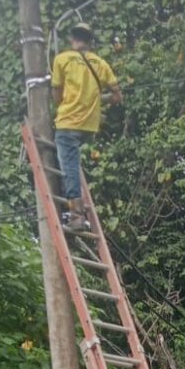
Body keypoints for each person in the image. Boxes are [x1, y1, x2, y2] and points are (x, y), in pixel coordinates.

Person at [50, 24, 122, 230]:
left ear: (73, 39)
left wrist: (69, 101)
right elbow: (117, 97)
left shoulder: (62, 59)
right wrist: (97, 99)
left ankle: (76, 215)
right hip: (89, 127)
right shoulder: (101, 63)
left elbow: (56, 97)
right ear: (90, 41)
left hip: (68, 123)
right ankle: (78, 210)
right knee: (71, 162)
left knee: (69, 167)